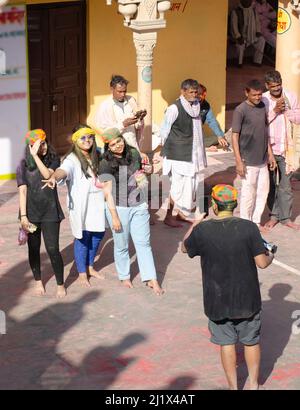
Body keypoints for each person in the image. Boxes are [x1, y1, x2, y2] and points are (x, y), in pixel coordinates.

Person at [182, 184, 274, 390]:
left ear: (214, 204)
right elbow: (262, 263)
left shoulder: (203, 230)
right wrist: (271, 256)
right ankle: (253, 384)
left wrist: (195, 224)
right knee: (251, 342)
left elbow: (183, 247)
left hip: (216, 300)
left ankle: (233, 387)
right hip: (247, 299)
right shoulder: (249, 227)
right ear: (235, 204)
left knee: (227, 343)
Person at [42, 124, 121, 287]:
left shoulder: (97, 154)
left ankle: (90, 266)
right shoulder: (72, 159)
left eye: (90, 137)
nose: (87, 141)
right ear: (76, 140)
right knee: (83, 238)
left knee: (98, 236)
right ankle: (82, 273)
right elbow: (63, 170)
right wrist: (54, 177)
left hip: (98, 202)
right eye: (83, 138)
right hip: (81, 205)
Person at [98, 128, 164, 296]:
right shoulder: (105, 163)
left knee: (144, 244)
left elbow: (142, 174)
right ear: (108, 147)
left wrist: (148, 170)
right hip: (118, 208)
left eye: (119, 141)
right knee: (122, 245)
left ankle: (151, 278)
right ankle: (124, 275)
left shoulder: (134, 153)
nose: (118, 145)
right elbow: (107, 193)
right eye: (113, 144)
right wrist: (114, 217)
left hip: (139, 204)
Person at [16, 129, 66, 298]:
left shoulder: (53, 159)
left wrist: (36, 156)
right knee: (34, 248)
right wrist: (23, 216)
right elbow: (22, 191)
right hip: (31, 213)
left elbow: (47, 175)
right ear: (29, 147)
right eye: (36, 145)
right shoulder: (22, 165)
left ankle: (60, 284)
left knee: (53, 249)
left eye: (43, 144)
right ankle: (38, 281)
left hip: (50, 211)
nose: (41, 148)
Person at [160, 79, 207, 228]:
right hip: (178, 154)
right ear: (183, 92)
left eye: (196, 92)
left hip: (193, 154)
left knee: (190, 186)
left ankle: (180, 214)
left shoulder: (196, 106)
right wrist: (165, 151)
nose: (194, 95)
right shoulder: (174, 108)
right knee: (177, 188)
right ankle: (169, 216)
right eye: (191, 92)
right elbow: (164, 131)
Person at [231, 79, 276, 231]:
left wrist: (270, 154)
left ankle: (256, 221)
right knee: (248, 192)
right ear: (246, 93)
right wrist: (238, 161)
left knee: (263, 191)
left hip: (262, 159)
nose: (258, 98)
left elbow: (265, 131)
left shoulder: (263, 106)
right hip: (247, 160)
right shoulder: (240, 110)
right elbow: (234, 136)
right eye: (254, 95)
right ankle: (245, 224)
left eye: (260, 95)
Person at [263, 70, 300, 230]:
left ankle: (285, 218)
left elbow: (298, 118)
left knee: (285, 186)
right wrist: (275, 111)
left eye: (279, 85)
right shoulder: (263, 99)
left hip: (287, 150)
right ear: (267, 86)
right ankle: (274, 215)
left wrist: (286, 111)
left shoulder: (291, 96)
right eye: (273, 86)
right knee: (270, 185)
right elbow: (259, 122)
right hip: (268, 150)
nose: (277, 89)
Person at [94, 75, 146, 152]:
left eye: (125, 91)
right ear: (112, 89)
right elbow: (105, 133)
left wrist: (140, 119)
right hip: (116, 150)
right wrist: (123, 125)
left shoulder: (131, 100)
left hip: (133, 146)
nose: (123, 94)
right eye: (120, 91)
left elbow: (138, 127)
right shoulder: (105, 106)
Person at [230, 0, 266, 67]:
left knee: (261, 40)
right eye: (245, 0)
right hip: (241, 36)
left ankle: (257, 61)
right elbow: (233, 26)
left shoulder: (253, 11)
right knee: (240, 46)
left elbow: (257, 22)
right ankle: (239, 63)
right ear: (241, 1)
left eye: (249, 0)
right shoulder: (235, 12)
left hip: (252, 35)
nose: (247, 2)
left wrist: (258, 31)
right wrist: (238, 36)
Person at [197, 84, 229, 152]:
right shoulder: (186, 105)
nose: (202, 97)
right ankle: (204, 148)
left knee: (220, 138)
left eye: (204, 95)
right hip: (186, 139)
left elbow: (212, 121)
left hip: (199, 138)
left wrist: (220, 136)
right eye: (200, 94)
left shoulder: (205, 105)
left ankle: (203, 146)